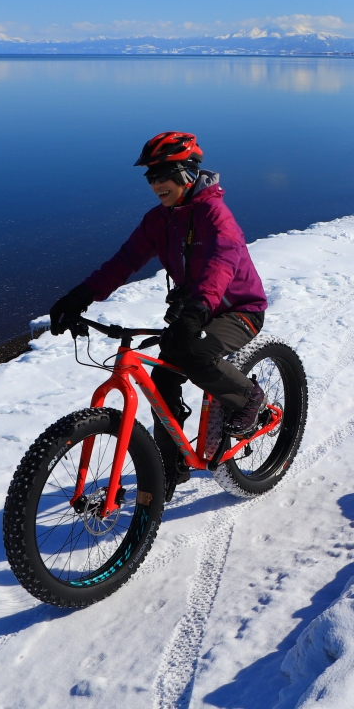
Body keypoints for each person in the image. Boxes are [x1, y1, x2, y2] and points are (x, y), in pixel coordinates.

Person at [48, 131, 268, 499]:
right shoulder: (159, 220)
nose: (156, 184)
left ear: (188, 172)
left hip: (238, 310)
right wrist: (79, 297)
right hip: (193, 312)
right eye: (150, 177)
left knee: (194, 356)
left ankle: (248, 398)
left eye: (164, 175)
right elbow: (123, 263)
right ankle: (172, 464)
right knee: (163, 380)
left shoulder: (216, 216)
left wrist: (196, 312)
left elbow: (220, 266)